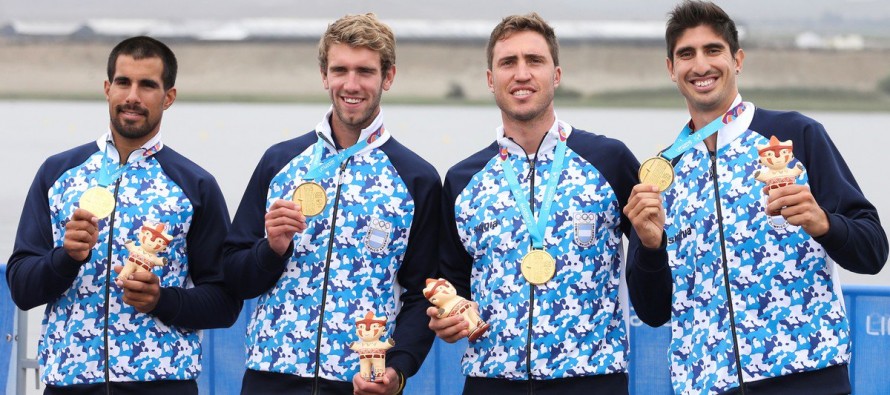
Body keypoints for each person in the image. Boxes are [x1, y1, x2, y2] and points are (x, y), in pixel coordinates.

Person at [624, 1, 888, 394]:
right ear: (671, 68)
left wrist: (824, 224)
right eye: (686, 54)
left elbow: (874, 252)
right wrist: (650, 248)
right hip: (706, 385)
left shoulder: (796, 136)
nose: (701, 65)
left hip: (807, 378)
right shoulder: (663, 172)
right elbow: (653, 312)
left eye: (713, 50)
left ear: (738, 60)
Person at [6, 36, 241, 394]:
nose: (133, 96)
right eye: (123, 82)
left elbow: (225, 303)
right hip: (70, 384)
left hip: (162, 385)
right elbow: (22, 288)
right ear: (107, 89)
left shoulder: (195, 186)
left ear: (168, 97)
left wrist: (162, 300)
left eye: (147, 85)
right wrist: (65, 258)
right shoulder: (58, 174)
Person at [222, 13, 441, 395]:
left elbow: (423, 294)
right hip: (270, 378)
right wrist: (270, 250)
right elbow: (234, 277)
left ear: (388, 77)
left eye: (365, 71)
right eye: (340, 70)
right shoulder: (280, 163)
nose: (351, 84)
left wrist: (398, 369)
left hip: (359, 382)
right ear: (324, 75)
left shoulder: (416, 179)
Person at [430, 12, 641, 394]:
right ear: (491, 79)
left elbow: (652, 258)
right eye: (508, 62)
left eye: (535, 60)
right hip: (491, 382)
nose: (522, 73)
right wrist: (447, 319)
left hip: (592, 381)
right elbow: (454, 284)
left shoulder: (610, 161)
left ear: (556, 75)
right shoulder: (462, 180)